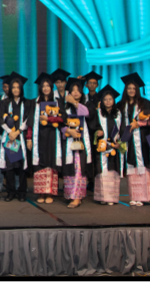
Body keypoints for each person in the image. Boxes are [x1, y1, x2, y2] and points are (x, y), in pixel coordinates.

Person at [117, 73, 150, 206]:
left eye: (134, 88)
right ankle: (134, 196)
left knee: (143, 166)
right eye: (129, 88)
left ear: (137, 89)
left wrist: (139, 124)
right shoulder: (121, 104)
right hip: (128, 140)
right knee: (131, 167)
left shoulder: (145, 103)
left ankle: (144, 197)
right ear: (126, 90)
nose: (131, 90)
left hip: (143, 140)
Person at [0, 72, 33, 202]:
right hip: (10, 139)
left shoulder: (27, 103)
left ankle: (22, 192)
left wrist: (17, 132)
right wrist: (10, 132)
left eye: (17, 87)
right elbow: (0, 120)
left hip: (21, 138)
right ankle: (10, 192)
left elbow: (28, 120)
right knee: (10, 166)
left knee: (21, 166)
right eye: (13, 87)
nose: (15, 90)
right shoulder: (4, 103)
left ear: (21, 89)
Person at [30, 72, 63, 204]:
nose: (45, 88)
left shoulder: (57, 102)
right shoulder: (35, 102)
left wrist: (49, 119)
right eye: (43, 86)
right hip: (39, 136)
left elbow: (63, 119)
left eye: (48, 86)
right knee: (40, 163)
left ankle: (50, 193)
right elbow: (30, 123)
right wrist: (29, 138)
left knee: (51, 163)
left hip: (52, 136)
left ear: (51, 87)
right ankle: (41, 192)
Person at [61, 78, 93, 209]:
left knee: (79, 168)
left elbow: (87, 113)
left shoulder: (86, 105)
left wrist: (74, 103)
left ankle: (77, 197)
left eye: (78, 90)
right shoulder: (65, 108)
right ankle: (71, 194)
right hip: (69, 142)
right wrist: (69, 131)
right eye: (72, 90)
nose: (75, 92)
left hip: (81, 143)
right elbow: (60, 124)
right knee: (70, 169)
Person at [89, 85, 123, 205]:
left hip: (113, 147)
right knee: (101, 172)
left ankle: (111, 197)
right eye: (105, 99)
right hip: (101, 147)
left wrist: (119, 143)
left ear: (113, 100)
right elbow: (93, 126)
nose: (108, 102)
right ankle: (103, 196)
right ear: (102, 101)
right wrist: (97, 132)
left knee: (112, 172)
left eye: (110, 99)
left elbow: (122, 129)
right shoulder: (98, 112)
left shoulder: (118, 113)